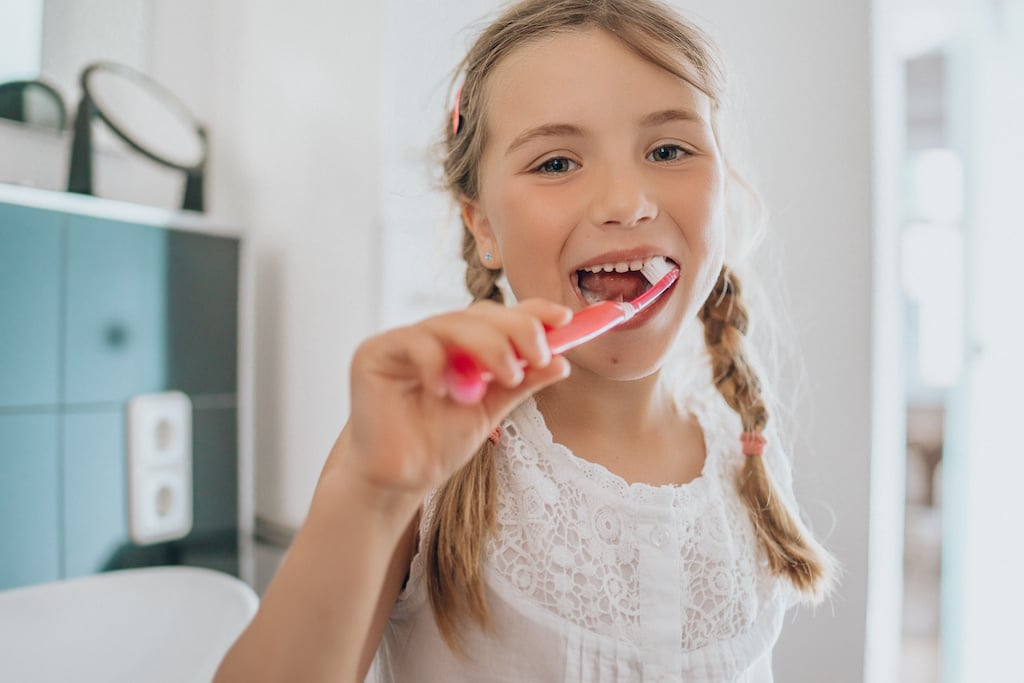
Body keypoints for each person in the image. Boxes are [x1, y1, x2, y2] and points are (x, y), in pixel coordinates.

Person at [214, 0, 836, 680]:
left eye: (668, 149)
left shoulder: (748, 458)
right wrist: (368, 493)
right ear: (482, 226)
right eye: (556, 163)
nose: (626, 201)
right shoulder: (419, 462)